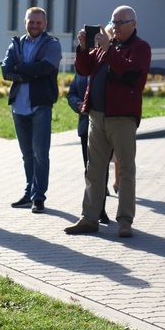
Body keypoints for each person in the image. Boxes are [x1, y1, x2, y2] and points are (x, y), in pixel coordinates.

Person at [64, 5, 151, 237]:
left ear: (133, 24)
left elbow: (130, 73)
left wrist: (106, 48)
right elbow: (83, 69)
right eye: (113, 22)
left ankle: (124, 221)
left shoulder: (140, 47)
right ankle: (89, 218)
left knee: (125, 170)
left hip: (122, 118)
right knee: (93, 170)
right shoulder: (106, 46)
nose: (115, 26)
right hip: (97, 116)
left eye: (121, 22)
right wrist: (83, 48)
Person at [1, 7, 62, 214]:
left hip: (40, 105)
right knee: (27, 154)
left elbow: (45, 69)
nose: (34, 25)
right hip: (19, 106)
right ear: (25, 22)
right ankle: (29, 193)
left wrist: (20, 68)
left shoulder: (52, 44)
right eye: (31, 22)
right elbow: (5, 71)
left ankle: (39, 197)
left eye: (38, 22)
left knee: (40, 154)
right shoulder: (16, 43)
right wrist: (28, 73)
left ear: (45, 24)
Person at [67, 72, 110, 224]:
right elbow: (71, 93)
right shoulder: (82, 70)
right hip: (86, 126)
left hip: (106, 125)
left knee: (102, 168)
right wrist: (78, 104)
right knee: (90, 169)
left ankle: (100, 210)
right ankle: (92, 211)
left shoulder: (106, 66)